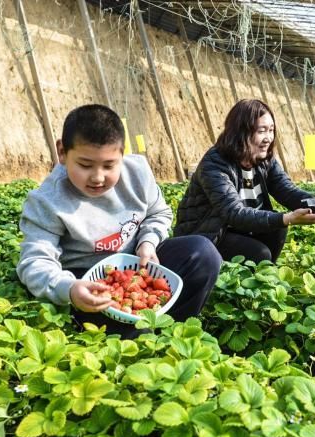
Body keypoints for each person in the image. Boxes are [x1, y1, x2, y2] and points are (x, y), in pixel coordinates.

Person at [16, 104, 222, 336]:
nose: (97, 177)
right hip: (89, 284)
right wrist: (70, 289)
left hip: (139, 263)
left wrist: (148, 242)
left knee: (203, 253)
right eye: (85, 165)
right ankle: (141, 335)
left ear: (122, 155)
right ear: (62, 152)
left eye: (109, 165)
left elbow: (158, 213)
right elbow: (34, 261)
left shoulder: (138, 172)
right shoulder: (47, 201)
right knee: (135, 335)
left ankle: (172, 330)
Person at [174, 99, 315, 263]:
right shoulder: (215, 164)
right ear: (240, 132)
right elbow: (234, 213)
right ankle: (240, 278)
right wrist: (287, 218)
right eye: (262, 131)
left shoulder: (264, 159)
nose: (268, 138)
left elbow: (287, 191)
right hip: (208, 235)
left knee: (278, 229)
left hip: (239, 227)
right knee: (259, 253)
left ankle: (263, 278)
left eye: (271, 130)